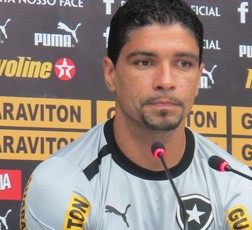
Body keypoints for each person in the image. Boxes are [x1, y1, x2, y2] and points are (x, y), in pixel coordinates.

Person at [20, 0, 252, 229]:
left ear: (199, 77)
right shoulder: (61, 183)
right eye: (144, 62)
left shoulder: (236, 184)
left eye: (183, 63)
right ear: (111, 74)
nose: (166, 81)